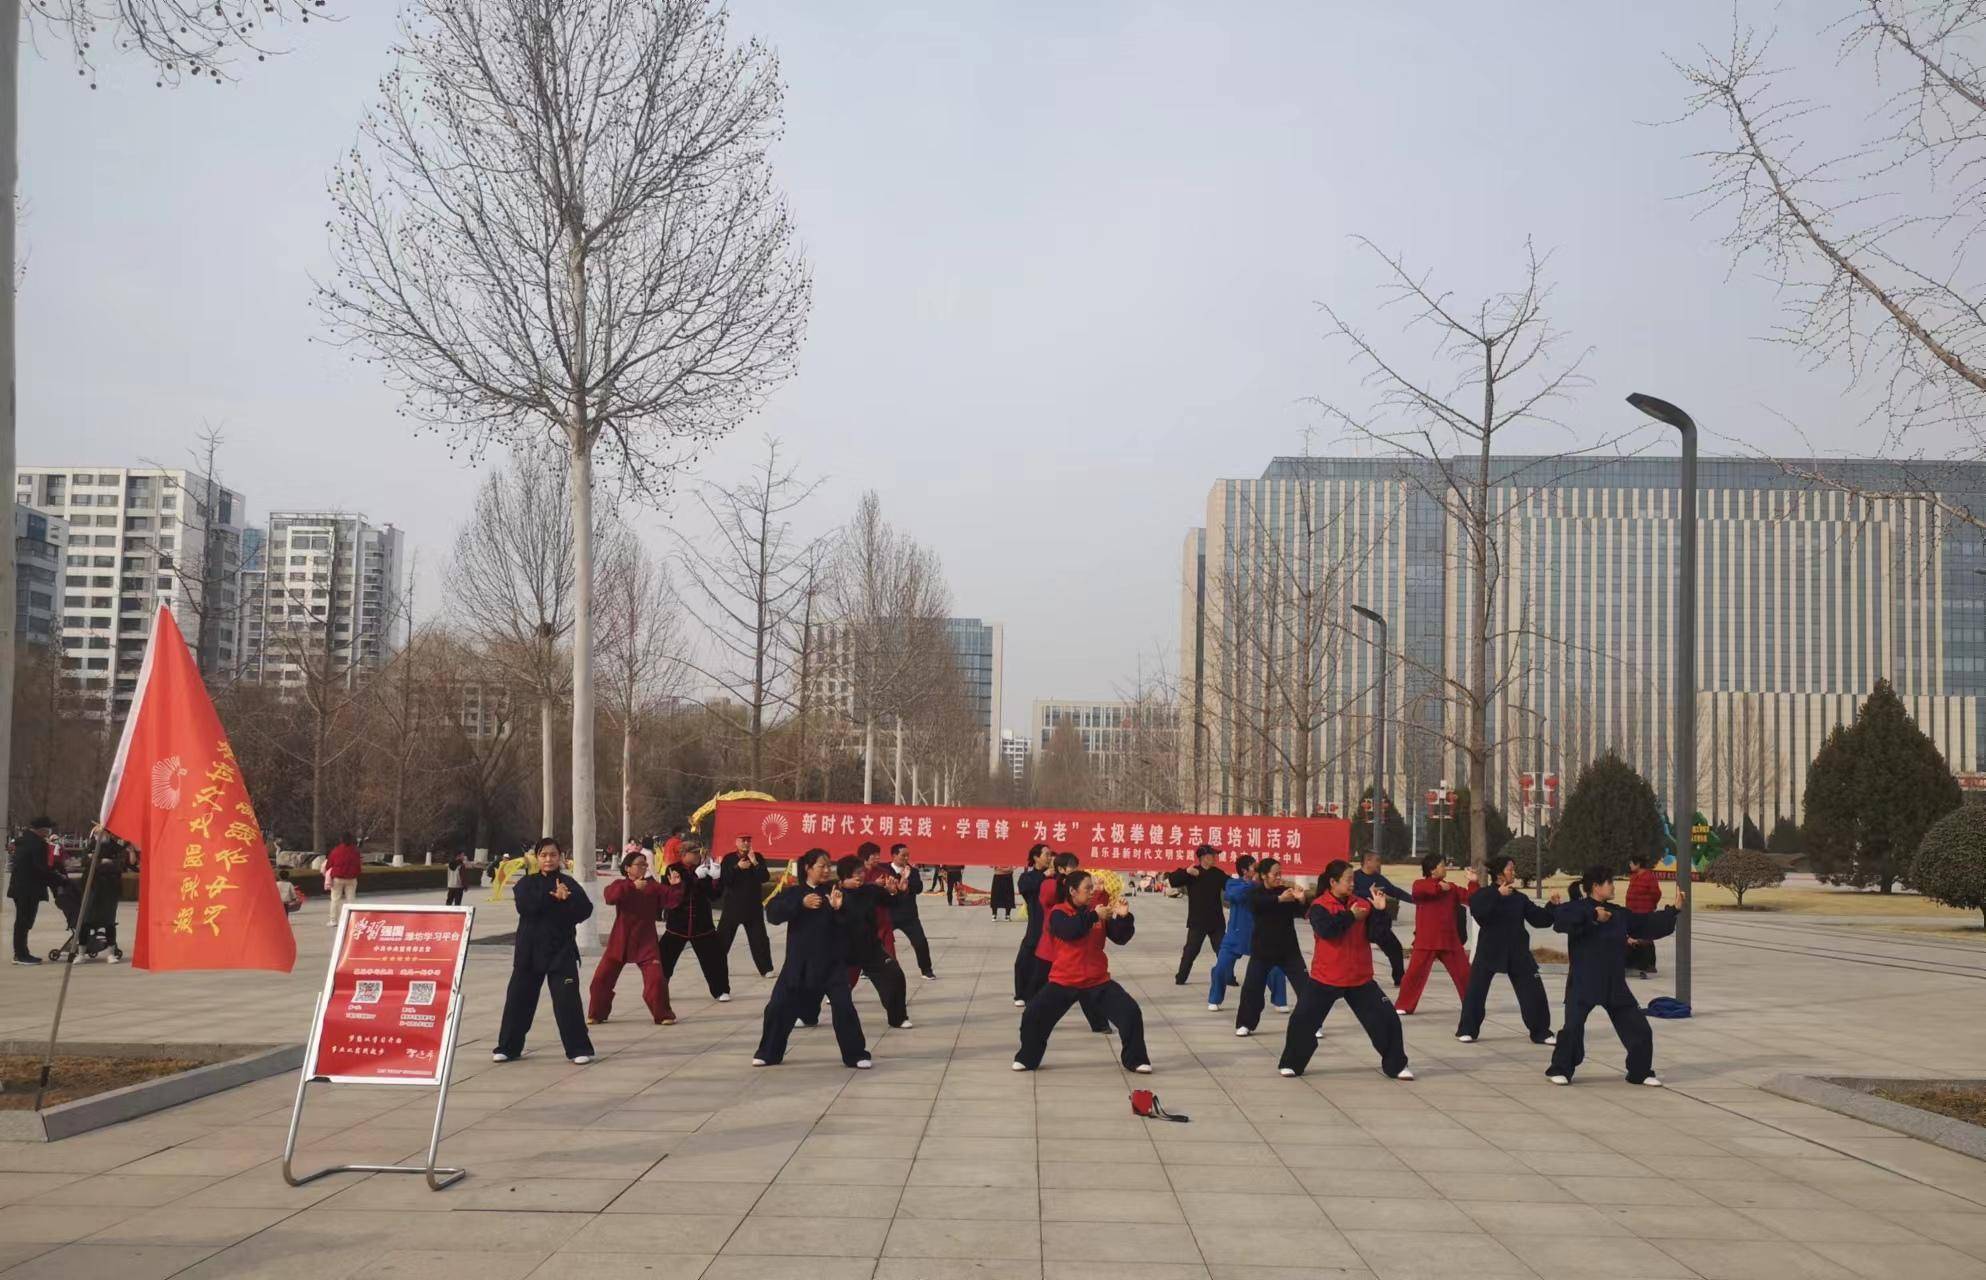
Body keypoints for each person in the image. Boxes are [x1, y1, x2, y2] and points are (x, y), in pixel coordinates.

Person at [1547, 866, 1684, 1087]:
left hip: (1614, 983)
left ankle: (1640, 1072)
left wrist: (1673, 911)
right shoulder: (1578, 909)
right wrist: (1593, 915)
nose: (1613, 886)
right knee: (1572, 1028)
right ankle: (1561, 1068)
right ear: (1596, 887)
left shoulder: (1618, 913)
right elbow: (1560, 920)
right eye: (1609, 882)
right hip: (1583, 982)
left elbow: (1645, 923)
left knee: (1639, 1029)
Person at [1278, 859, 1413, 1081]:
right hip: (1326, 976)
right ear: (1333, 882)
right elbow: (1328, 931)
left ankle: (1396, 1065)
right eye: (1348, 880)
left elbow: (1376, 936)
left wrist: (1380, 912)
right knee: (1303, 1020)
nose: (1352, 884)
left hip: (1359, 977)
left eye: (1353, 880)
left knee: (1386, 1019)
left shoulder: (1362, 904)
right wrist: (1350, 916)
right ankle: (1291, 1063)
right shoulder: (1319, 906)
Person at [1012, 870, 1150, 1073]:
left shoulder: (1098, 912)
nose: (1092, 892)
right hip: (1064, 980)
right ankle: (1027, 1058)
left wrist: (1124, 917)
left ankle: (1136, 1060)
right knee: (1033, 1015)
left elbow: (1121, 938)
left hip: (1097, 980)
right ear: (1073, 891)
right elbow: (1070, 931)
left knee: (1130, 1012)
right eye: (1087, 888)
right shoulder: (1059, 912)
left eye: (1092, 888)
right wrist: (1094, 915)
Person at [753, 850, 871, 1069]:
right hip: (798, 963)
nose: (827, 870)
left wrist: (839, 908)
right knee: (777, 1007)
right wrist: (800, 904)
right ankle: (769, 1052)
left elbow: (854, 921)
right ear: (807, 868)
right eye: (821, 866)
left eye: (828, 866)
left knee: (844, 1007)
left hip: (831, 964)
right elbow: (773, 914)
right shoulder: (795, 893)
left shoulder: (835, 892)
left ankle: (856, 1055)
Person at [493, 839, 596, 1064]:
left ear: (560, 857)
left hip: (561, 952)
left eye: (553, 855)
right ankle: (508, 1047)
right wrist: (554, 898)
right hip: (529, 953)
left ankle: (578, 1048)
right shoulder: (525, 884)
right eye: (544, 855)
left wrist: (566, 899)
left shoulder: (570, 884)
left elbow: (585, 910)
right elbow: (526, 908)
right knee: (518, 1001)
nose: (548, 859)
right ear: (537, 858)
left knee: (567, 1002)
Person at [1455, 855, 1557, 1045]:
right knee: (1476, 991)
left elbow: (1539, 919)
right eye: (1511, 869)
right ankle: (1467, 1029)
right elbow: (1479, 913)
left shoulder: (1519, 898)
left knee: (1533, 992)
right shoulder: (1485, 894)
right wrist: (1497, 895)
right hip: (1489, 950)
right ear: (1500, 873)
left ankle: (1541, 1032)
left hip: (1518, 952)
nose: (1514, 872)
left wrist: (1552, 906)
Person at [588, 849, 676, 1026]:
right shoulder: (620, 885)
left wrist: (676, 886)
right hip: (620, 940)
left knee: (656, 980)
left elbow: (672, 900)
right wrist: (632, 886)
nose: (643, 867)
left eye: (645, 864)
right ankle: (597, 1013)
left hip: (646, 942)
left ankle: (663, 1014)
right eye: (639, 864)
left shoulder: (652, 886)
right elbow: (609, 897)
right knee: (600, 980)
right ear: (628, 868)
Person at [834, 854, 912, 1028]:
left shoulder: (870, 891)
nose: (860, 876)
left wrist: (896, 891)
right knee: (818, 983)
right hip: (843, 950)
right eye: (855, 873)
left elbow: (893, 903)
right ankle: (807, 1015)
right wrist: (838, 902)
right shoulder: (835, 893)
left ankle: (898, 1018)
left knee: (895, 975)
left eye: (861, 872)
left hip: (870, 948)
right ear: (844, 876)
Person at [1395, 856, 1478, 1015]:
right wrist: (1439, 888)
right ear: (1433, 869)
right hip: (1426, 940)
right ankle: (1403, 1005)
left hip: (1449, 940)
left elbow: (1472, 899)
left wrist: (1473, 882)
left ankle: (1473, 1004)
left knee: (1465, 974)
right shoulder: (1420, 884)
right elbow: (1419, 892)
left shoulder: (1452, 888)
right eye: (1442, 866)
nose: (1445, 868)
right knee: (1414, 975)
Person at [1234, 858, 1307, 1035]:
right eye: (1276, 874)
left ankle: (1314, 1024)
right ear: (1264, 875)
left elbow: (1302, 913)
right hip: (1262, 950)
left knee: (1305, 987)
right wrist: (1279, 899)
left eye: (1280, 873)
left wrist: (1302, 900)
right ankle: (1245, 1023)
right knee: (1252, 988)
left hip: (1288, 949)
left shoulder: (1286, 892)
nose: (1279, 877)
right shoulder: (1255, 893)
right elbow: (1257, 904)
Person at [1208, 856, 1287, 1015]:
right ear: (1244, 870)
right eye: (1254, 867)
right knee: (1221, 968)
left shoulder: (1263, 887)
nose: (1257, 870)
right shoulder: (1234, 884)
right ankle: (1215, 998)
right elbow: (1232, 896)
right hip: (1235, 936)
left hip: (1259, 936)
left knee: (1275, 969)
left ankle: (1280, 1001)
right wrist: (1255, 883)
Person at [659, 848, 730, 1000]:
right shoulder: (673, 869)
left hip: (702, 924)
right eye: (695, 853)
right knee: (664, 960)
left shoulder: (705, 869)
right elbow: (675, 894)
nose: (698, 855)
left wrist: (717, 878)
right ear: (684, 854)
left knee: (716, 958)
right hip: (677, 925)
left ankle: (721, 990)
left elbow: (714, 896)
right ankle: (659, 990)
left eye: (699, 852)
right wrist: (695, 877)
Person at [1165, 844, 1230, 985]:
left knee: (1223, 951)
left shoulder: (1218, 874)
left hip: (1216, 922)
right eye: (1213, 855)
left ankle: (1228, 978)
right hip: (1197, 922)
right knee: (1190, 952)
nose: (1215, 858)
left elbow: (1230, 885)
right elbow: (1173, 880)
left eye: (1215, 855)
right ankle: (1181, 977)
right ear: (1203, 857)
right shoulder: (1193, 872)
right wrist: (1186, 872)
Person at [717, 835, 775, 980]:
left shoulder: (757, 857)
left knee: (759, 939)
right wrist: (737, 867)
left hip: (753, 907)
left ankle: (766, 968)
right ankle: (715, 965)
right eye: (743, 840)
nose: (746, 843)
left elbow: (765, 877)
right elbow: (725, 879)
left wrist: (755, 862)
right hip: (733, 906)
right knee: (723, 938)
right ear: (736, 842)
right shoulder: (729, 858)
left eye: (748, 840)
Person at [8, 818, 63, 966]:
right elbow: (40, 869)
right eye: (48, 829)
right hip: (29, 889)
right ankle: (21, 955)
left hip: (19, 887)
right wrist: (59, 879)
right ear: (41, 829)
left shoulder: (23, 841)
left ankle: (21, 953)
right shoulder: (38, 844)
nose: (49, 832)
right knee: (24, 921)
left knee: (22, 921)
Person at [1353, 851, 1409, 986]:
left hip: (1379, 924)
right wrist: (1369, 892)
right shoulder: (1355, 877)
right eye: (1377, 860)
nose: (1379, 863)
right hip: (1360, 922)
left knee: (1395, 948)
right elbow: (1349, 892)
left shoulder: (1379, 879)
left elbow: (1394, 891)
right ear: (1367, 862)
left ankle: (1400, 979)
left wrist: (1416, 900)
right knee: (1354, 953)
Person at [886, 844, 936, 979]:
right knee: (875, 942)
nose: (906, 858)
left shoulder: (912, 871)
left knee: (920, 942)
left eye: (908, 855)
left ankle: (926, 970)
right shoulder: (884, 869)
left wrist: (906, 879)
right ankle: (867, 970)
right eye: (903, 855)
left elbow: (918, 888)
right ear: (894, 855)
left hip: (909, 915)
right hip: (888, 914)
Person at [1013, 844, 1054, 1006]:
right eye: (1047, 855)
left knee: (1045, 962)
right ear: (1036, 857)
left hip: (1052, 924)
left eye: (1050, 855)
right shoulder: (1028, 876)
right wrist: (1043, 876)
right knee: (1024, 960)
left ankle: (1040, 994)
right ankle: (1021, 994)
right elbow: (1025, 887)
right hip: (1036, 923)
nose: (1049, 858)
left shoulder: (1054, 877)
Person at [77, 839, 126, 963]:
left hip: (109, 890)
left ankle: (111, 954)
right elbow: (84, 862)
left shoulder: (116, 848)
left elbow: (119, 865)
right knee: (85, 921)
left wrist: (98, 862)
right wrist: (101, 862)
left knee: (109, 922)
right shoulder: (91, 846)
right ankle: (81, 953)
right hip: (91, 889)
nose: (100, 834)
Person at [1624, 853, 1662, 978]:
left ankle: (1649, 965)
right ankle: (1634, 964)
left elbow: (1656, 894)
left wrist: (1650, 906)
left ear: (1638, 864)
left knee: (1646, 938)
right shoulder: (1633, 876)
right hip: (1632, 912)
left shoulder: (1649, 877)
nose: (1629, 865)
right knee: (1633, 938)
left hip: (1645, 912)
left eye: (1631, 862)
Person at [323, 833, 362, 926]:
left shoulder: (336, 850)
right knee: (351, 899)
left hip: (338, 878)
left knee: (335, 899)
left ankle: (333, 920)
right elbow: (359, 865)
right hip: (351, 878)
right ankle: (352, 920)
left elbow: (329, 864)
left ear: (341, 840)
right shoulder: (355, 851)